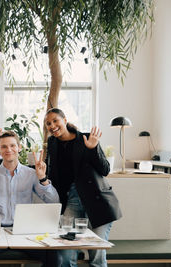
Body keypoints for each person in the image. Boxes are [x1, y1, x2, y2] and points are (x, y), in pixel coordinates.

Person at [0, 130, 60, 267]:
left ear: (19, 148)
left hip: (24, 233)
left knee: (53, 255)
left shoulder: (32, 174)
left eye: (12, 145)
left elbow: (54, 201)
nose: (9, 150)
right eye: (4, 147)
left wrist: (43, 179)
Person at [44, 108, 122, 267]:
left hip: (97, 200)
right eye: (48, 123)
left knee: (96, 254)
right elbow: (53, 174)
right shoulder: (52, 143)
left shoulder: (86, 138)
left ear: (64, 120)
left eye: (55, 121)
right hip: (71, 200)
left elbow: (105, 170)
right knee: (65, 253)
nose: (52, 126)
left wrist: (93, 149)